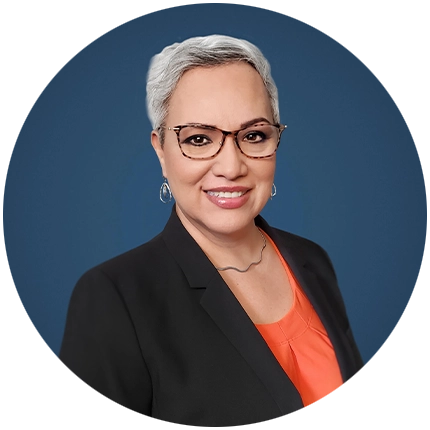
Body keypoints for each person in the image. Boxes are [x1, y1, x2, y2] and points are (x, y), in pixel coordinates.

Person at [57, 35, 364, 428]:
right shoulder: (114, 297)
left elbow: (352, 409)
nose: (232, 167)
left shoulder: (311, 259)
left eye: (253, 135)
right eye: (199, 140)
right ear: (161, 151)